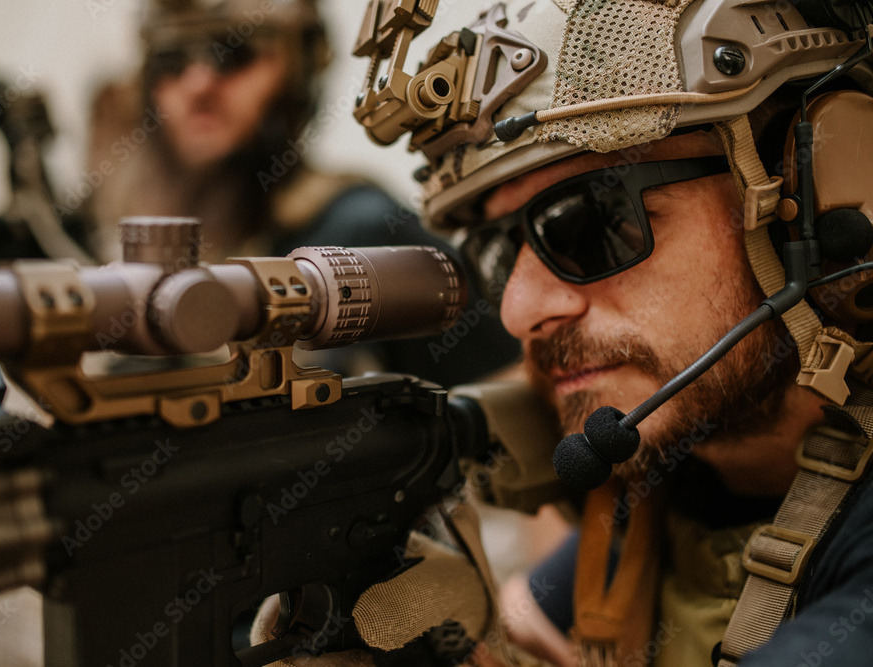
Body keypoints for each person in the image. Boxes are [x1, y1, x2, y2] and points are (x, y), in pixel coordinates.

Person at [258, 0, 873, 664]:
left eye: (592, 221)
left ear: (818, 194)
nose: (519, 308)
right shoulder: (673, 477)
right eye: (497, 251)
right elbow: (531, 620)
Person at [0, 0, 520, 387]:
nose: (198, 84)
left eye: (231, 54)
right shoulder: (117, 238)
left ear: (297, 73)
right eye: (173, 62)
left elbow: (512, 412)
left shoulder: (362, 233)